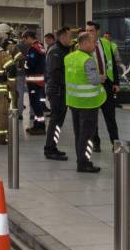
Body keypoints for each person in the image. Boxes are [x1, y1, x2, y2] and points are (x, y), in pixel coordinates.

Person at [65, 32, 102, 173]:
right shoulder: (87, 60)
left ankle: (81, 161)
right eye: (93, 42)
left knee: (79, 133)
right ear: (85, 43)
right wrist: (102, 78)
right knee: (87, 135)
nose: (95, 45)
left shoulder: (69, 58)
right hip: (88, 103)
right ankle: (84, 163)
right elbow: (94, 80)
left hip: (74, 102)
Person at [85, 21, 120, 153]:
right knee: (93, 117)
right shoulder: (82, 45)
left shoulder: (106, 43)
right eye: (87, 30)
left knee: (110, 117)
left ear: (97, 31)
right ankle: (96, 143)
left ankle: (115, 143)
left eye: (91, 30)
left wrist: (116, 83)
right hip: (92, 85)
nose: (88, 33)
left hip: (106, 84)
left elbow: (113, 64)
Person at [44, 28, 72, 161]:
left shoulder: (63, 50)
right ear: (63, 37)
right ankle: (49, 149)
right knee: (55, 121)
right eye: (69, 37)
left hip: (61, 90)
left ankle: (52, 146)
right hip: (57, 91)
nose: (71, 39)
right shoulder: (56, 51)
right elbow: (55, 73)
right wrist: (70, 81)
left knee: (58, 121)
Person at [22, 30, 47, 135]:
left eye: (24, 39)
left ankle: (41, 126)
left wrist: (23, 64)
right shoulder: (40, 46)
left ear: (28, 37)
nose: (24, 41)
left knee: (35, 104)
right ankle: (37, 125)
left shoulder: (33, 49)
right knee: (37, 104)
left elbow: (30, 64)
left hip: (34, 80)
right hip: (39, 79)